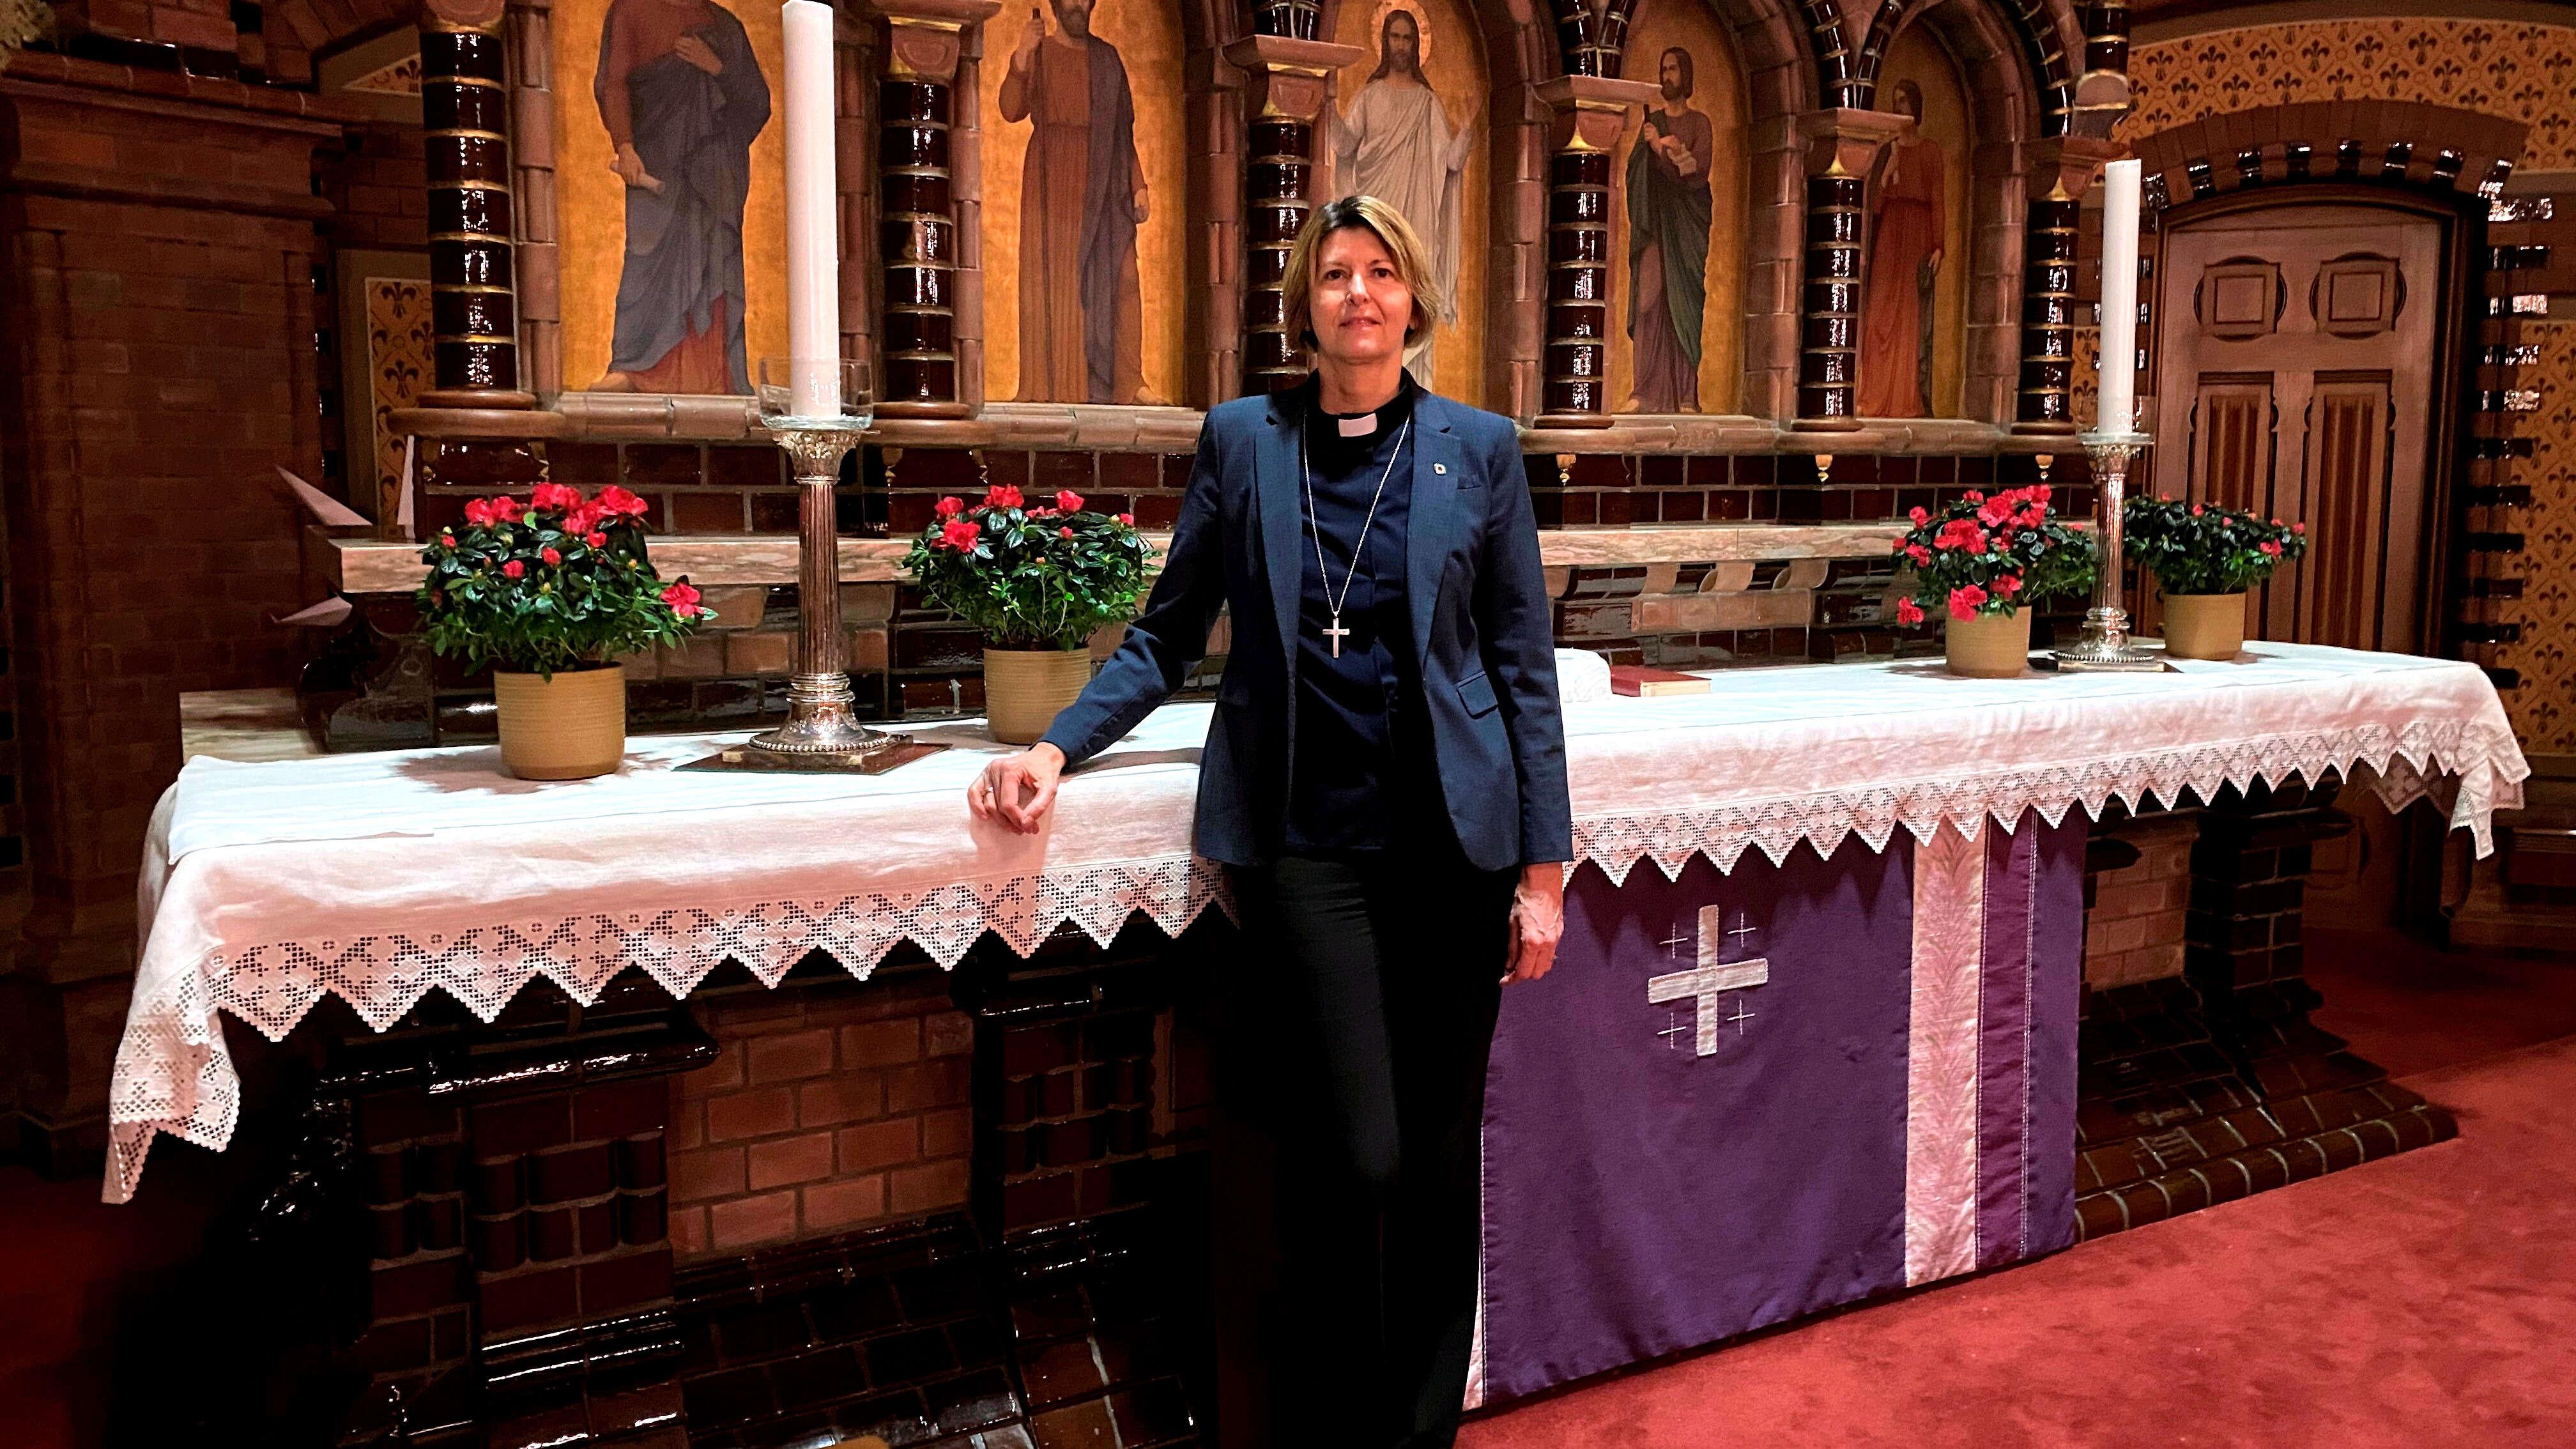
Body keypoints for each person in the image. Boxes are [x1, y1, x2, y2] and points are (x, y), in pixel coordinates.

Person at [967, 195, 1571, 1448]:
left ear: (1414, 299)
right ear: (1306, 303)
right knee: (1361, 1153)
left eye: (1382, 272)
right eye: (1336, 273)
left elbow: (1520, 665)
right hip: (1310, 852)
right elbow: (1167, 632)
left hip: (1453, 852)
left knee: (1439, 1156)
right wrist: (1054, 744)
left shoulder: (1478, 447)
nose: (1359, 294)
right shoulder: (1247, 440)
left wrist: (1544, 870)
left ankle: (1417, 1430)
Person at [589, 0, 770, 394]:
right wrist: (625, 145)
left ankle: (716, 376)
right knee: (647, 258)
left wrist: (717, 68)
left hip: (714, 171)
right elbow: (612, 83)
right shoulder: (632, 11)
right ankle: (635, 367)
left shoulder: (725, 27)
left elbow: (757, 105)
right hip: (657, 161)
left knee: (712, 264)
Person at [999, 0, 1159, 404]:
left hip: (1105, 176)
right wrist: (1022, 54)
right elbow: (1010, 108)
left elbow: (1123, 132)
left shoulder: (1107, 59)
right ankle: (1050, 388)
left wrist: (1137, 184)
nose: (1078, 5)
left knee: (1124, 276)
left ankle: (1129, 383)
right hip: (1052, 180)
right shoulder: (1041, 53)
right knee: (1057, 283)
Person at [1331, 8, 1478, 385]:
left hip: (1417, 224)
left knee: (1411, 299)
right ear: (1384, 43)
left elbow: (1451, 161)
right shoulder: (1370, 97)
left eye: (1407, 38)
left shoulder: (1426, 104)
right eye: (1394, 37)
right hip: (1374, 220)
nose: (1400, 45)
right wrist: (1326, 102)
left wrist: (1469, 126)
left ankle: (1412, 394)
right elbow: (1345, 146)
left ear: (1416, 45)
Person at [1622, 45, 1715, 413]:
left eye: (1673, 69)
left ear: (1685, 75)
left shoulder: (1700, 124)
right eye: (1663, 70)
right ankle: (1643, 392)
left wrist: (1660, 150)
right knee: (1648, 300)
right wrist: (1647, 150)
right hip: (1655, 225)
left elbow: (1697, 173)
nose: (1667, 76)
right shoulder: (1653, 124)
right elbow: (1635, 174)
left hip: (1687, 226)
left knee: (1685, 304)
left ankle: (1687, 395)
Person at [1857, 79, 1945, 418]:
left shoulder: (1930, 151)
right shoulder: (1886, 151)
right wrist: (1887, 173)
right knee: (1878, 314)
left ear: (1916, 107)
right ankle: (1874, 396)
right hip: (1891, 231)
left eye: (1905, 102)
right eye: (1896, 102)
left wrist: (1938, 246)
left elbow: (1937, 198)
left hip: (1917, 235)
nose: (1899, 108)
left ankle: (1906, 400)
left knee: (1910, 320)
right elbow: (1875, 205)